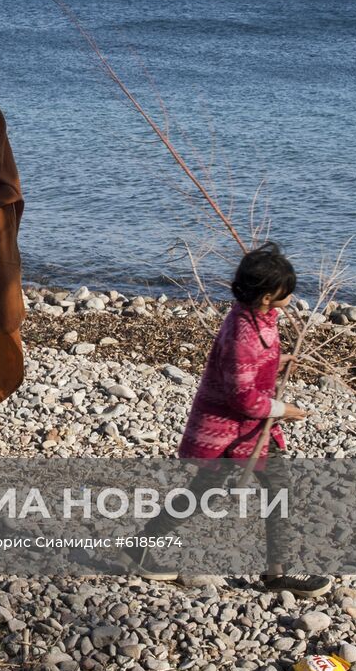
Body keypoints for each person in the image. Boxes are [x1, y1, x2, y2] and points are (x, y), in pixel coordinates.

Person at [123, 241, 332, 599]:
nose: (291, 297)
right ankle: (140, 548)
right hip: (230, 435)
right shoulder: (243, 334)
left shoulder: (256, 315)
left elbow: (248, 371)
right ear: (267, 296)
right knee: (204, 494)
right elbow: (243, 397)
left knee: (275, 490)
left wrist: (276, 364)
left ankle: (277, 571)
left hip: (252, 432)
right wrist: (286, 411)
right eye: (285, 293)